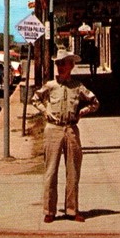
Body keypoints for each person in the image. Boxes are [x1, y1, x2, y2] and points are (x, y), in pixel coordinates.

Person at [31, 49, 100, 223]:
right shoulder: (50, 85)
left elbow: (94, 102)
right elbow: (35, 99)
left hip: (71, 130)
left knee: (73, 171)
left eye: (63, 63)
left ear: (71, 65)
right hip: (53, 129)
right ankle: (49, 211)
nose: (60, 67)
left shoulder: (77, 86)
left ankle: (72, 210)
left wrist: (81, 113)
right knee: (51, 171)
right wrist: (45, 111)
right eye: (58, 63)